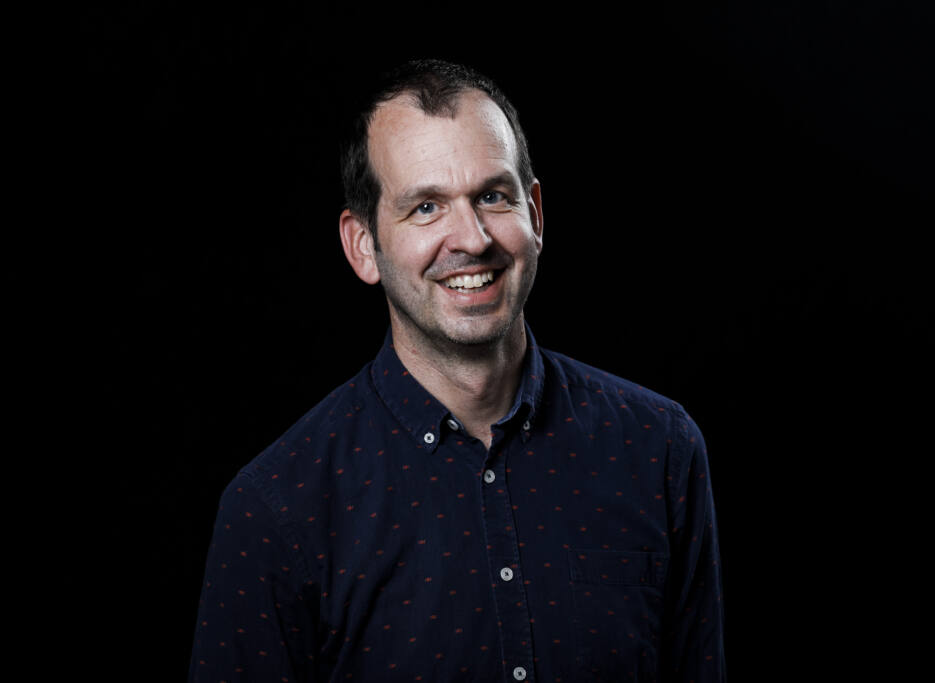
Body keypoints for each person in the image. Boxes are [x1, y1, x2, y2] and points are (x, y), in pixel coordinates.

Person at [189, 59, 725, 683]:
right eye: (425, 207)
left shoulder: (659, 449)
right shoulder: (277, 509)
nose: (471, 238)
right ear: (363, 245)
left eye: (492, 196)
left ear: (535, 215)